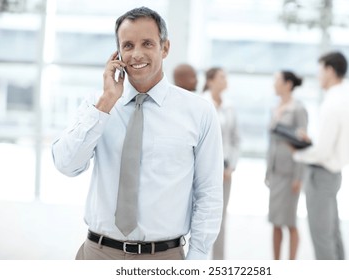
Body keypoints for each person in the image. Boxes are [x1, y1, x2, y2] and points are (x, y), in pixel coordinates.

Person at [51, 7, 223, 260]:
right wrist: (106, 102)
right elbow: (66, 165)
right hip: (97, 254)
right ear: (117, 53)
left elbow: (208, 192)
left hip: (164, 258)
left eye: (147, 43)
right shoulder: (96, 105)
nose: (137, 54)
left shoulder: (199, 112)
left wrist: (196, 257)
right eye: (128, 45)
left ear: (164, 48)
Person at [293, 51, 349, 259]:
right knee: (332, 234)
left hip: (321, 176)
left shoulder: (332, 103)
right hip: (332, 174)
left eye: (320, 70)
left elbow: (322, 151)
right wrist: (311, 142)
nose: (318, 75)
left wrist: (298, 153)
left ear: (330, 70)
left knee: (322, 238)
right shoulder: (345, 99)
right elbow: (329, 143)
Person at [265, 70, 308, 260]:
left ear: (288, 84)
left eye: (277, 81)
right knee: (275, 221)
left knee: (290, 222)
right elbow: (272, 142)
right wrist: (268, 170)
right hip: (275, 172)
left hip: (291, 173)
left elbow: (303, 145)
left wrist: (299, 176)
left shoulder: (298, 109)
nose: (274, 84)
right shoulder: (276, 107)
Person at [202, 67, 240, 260]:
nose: (226, 80)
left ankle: (218, 264)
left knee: (220, 219)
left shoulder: (230, 106)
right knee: (199, 218)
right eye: (222, 77)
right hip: (203, 172)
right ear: (210, 81)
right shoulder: (201, 102)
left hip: (225, 172)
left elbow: (235, 139)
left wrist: (231, 166)